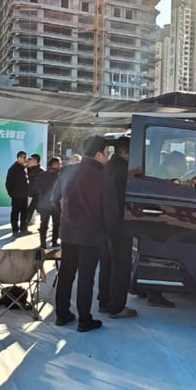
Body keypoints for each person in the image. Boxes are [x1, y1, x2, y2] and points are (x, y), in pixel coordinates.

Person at [54, 136, 112, 332]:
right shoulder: (104, 176)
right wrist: (107, 231)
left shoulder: (68, 171)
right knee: (86, 278)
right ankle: (84, 319)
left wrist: (66, 217)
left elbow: (54, 199)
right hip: (91, 234)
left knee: (65, 274)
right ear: (98, 154)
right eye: (107, 153)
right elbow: (109, 209)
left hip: (68, 231)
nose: (107, 157)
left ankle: (62, 314)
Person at [100, 137, 137, 318]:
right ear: (125, 152)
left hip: (105, 223)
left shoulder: (107, 167)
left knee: (106, 263)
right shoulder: (123, 172)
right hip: (120, 224)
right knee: (121, 266)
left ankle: (104, 301)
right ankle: (117, 307)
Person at [36, 157, 62, 249]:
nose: (60, 165)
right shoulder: (59, 176)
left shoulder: (42, 175)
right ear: (53, 164)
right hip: (55, 204)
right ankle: (54, 241)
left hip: (45, 204)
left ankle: (43, 243)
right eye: (59, 163)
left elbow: (37, 190)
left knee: (44, 224)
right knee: (55, 224)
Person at [5, 151, 29, 237]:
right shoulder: (13, 169)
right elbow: (8, 183)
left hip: (24, 194)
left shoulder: (23, 168)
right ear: (19, 158)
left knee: (24, 213)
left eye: (26, 157)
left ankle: (23, 229)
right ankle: (15, 230)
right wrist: (10, 193)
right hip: (16, 195)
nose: (25, 159)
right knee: (15, 213)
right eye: (24, 157)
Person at [26, 153, 43, 226]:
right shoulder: (30, 168)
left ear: (36, 161)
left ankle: (25, 226)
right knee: (36, 209)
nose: (30, 161)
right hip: (33, 193)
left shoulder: (40, 170)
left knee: (32, 209)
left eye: (31, 159)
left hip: (38, 194)